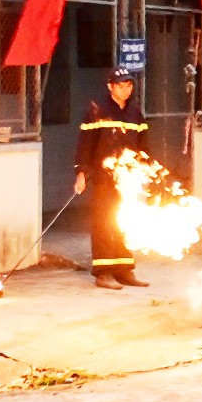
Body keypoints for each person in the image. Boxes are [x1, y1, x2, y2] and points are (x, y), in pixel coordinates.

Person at [75, 66, 151, 290]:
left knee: (125, 222)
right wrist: (81, 173)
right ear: (110, 87)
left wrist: (145, 170)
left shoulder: (136, 113)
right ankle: (104, 273)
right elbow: (85, 144)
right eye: (120, 85)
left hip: (129, 180)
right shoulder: (97, 111)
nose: (126, 89)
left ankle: (124, 270)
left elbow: (144, 145)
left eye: (129, 85)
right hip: (103, 178)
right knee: (104, 223)